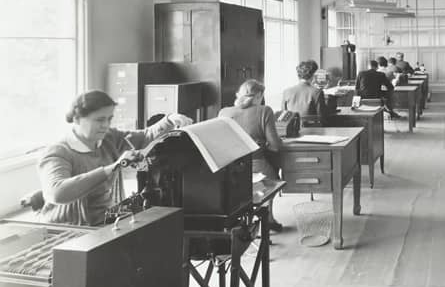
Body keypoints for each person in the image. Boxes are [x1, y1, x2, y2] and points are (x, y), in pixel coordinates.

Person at [37, 90, 193, 226]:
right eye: (99, 120)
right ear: (77, 119)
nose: (106, 125)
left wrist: (170, 120)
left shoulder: (108, 138)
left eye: (109, 119)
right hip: (68, 229)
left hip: (102, 222)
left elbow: (144, 137)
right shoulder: (58, 152)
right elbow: (57, 193)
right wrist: (113, 167)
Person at [219, 79, 284, 231]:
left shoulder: (224, 112)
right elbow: (275, 146)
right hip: (256, 167)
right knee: (273, 175)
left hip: (230, 170)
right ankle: (269, 218)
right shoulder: (265, 111)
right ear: (259, 96)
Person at [282, 60, 329, 126]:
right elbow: (322, 118)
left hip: (292, 131)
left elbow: (284, 118)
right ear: (313, 75)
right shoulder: (317, 92)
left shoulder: (286, 92)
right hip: (313, 131)